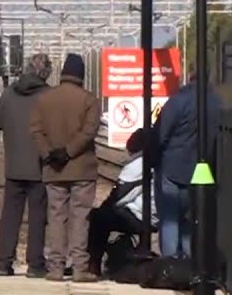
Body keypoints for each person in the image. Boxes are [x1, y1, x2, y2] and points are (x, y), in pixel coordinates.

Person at [30, 52, 101, 282]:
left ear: (62, 74)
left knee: (56, 216)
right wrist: (69, 152)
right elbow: (89, 132)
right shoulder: (89, 100)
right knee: (80, 216)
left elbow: (36, 130)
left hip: (53, 169)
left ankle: (56, 267)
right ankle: (80, 268)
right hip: (82, 168)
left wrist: (49, 153)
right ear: (81, 75)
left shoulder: (44, 99)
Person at [0, 53, 52, 278]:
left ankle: (4, 262)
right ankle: (35, 264)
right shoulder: (48, 95)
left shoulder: (8, 93)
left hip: (14, 165)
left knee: (10, 215)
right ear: (45, 73)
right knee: (38, 217)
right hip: (39, 166)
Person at [152, 71, 221, 258]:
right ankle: (190, 265)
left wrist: (153, 158)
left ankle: (171, 262)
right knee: (189, 220)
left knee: (169, 218)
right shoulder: (216, 103)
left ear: (189, 78)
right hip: (202, 171)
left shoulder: (178, 101)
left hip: (172, 167)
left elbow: (160, 134)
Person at [86, 127, 157, 278]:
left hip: (141, 217)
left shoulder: (138, 165)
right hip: (155, 214)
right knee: (104, 215)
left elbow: (119, 196)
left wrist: (104, 208)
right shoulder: (156, 160)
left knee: (98, 217)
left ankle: (93, 263)